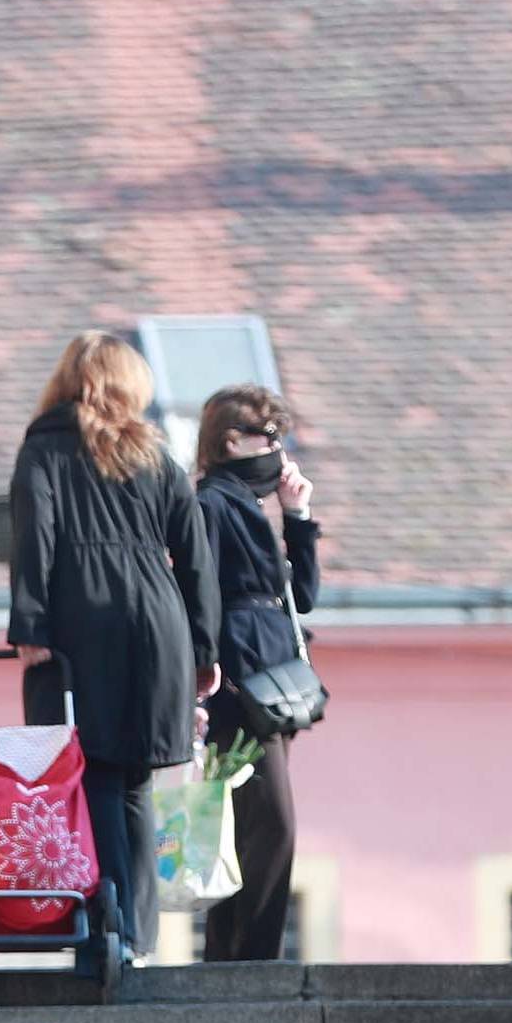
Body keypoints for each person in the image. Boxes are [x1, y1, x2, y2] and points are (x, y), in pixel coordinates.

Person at [7, 330, 222, 959]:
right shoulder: (156, 455)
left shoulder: (42, 450)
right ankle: (137, 936)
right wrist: (204, 649)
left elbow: (34, 539)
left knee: (94, 775)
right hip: (158, 624)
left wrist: (31, 626)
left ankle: (111, 933)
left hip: (83, 625)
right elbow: (196, 558)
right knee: (133, 786)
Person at [195, 384, 322, 963]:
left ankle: (231, 959)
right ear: (231, 442)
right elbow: (201, 599)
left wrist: (297, 517)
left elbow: (302, 595)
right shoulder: (212, 506)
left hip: (271, 687)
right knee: (270, 827)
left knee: (246, 828)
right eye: (269, 438)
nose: (279, 451)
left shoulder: (249, 506)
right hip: (239, 690)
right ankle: (253, 961)